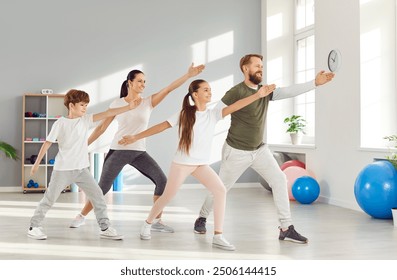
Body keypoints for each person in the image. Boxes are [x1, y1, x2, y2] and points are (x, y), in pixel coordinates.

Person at [118, 79, 276, 250]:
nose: (209, 92)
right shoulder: (184, 113)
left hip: (201, 165)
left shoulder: (213, 114)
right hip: (182, 164)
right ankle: (148, 223)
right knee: (167, 196)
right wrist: (135, 137)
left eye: (210, 90)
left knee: (220, 190)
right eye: (206, 90)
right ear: (195, 94)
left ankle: (218, 235)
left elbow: (236, 105)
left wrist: (258, 95)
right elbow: (160, 127)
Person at [193, 54, 335, 244]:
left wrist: (314, 83)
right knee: (221, 188)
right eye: (257, 66)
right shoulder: (236, 91)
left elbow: (288, 91)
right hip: (236, 150)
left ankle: (286, 228)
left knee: (279, 179)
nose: (261, 69)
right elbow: (216, 114)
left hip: (259, 150)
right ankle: (202, 217)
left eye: (262, 66)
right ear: (245, 68)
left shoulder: (265, 91)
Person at [69, 64, 205, 233]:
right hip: (118, 151)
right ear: (129, 83)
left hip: (139, 152)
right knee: (102, 187)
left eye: (145, 82)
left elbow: (168, 89)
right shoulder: (117, 103)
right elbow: (101, 128)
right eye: (140, 81)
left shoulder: (148, 102)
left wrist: (188, 75)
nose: (143, 84)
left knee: (162, 181)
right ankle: (80, 216)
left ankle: (156, 221)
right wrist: (84, 145)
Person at [28, 89, 141, 240]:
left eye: (86, 105)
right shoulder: (60, 123)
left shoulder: (85, 120)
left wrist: (128, 107)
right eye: (82, 105)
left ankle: (105, 227)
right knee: (49, 198)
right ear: (71, 105)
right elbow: (47, 144)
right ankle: (34, 226)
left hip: (82, 169)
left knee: (98, 195)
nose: (85, 108)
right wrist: (36, 164)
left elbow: (107, 113)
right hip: (63, 170)